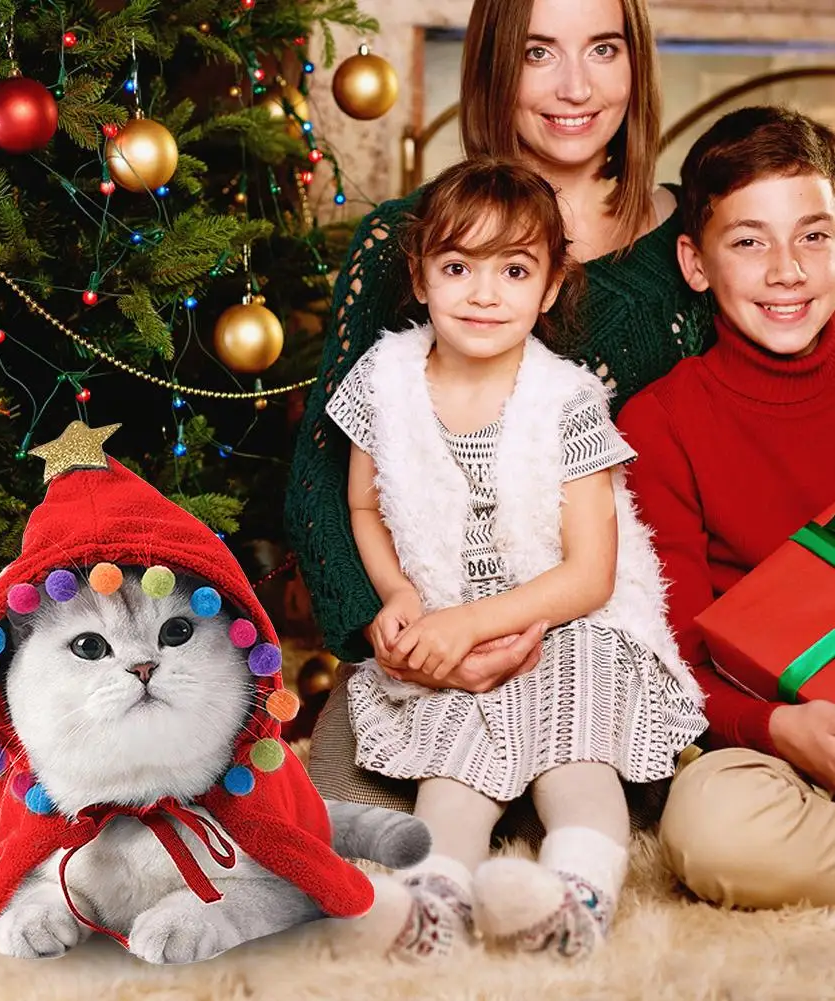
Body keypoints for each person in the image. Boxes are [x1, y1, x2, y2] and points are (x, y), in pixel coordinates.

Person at [285, 0, 715, 813]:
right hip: (428, 636)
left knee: (594, 816)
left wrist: (541, 621)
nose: (575, 86)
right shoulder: (407, 238)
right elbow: (323, 481)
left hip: (603, 640)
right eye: (537, 53)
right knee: (349, 831)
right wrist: (395, 628)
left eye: (603, 50)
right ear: (492, 62)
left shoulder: (695, 244)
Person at [325, 156, 706, 961]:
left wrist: (471, 623)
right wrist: (396, 593)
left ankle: (574, 897)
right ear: (420, 277)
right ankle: (431, 904)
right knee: (451, 774)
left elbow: (589, 574)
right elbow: (364, 505)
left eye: (514, 270)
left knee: (575, 763)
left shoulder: (566, 400)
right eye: (456, 267)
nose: (483, 293)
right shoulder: (384, 380)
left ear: (551, 285)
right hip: (446, 619)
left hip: (570, 622)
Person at [616, 105, 835, 910]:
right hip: (774, 742)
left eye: (814, 235)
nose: (787, 271)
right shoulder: (659, 422)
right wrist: (778, 729)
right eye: (748, 241)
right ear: (695, 262)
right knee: (711, 830)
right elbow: (676, 662)